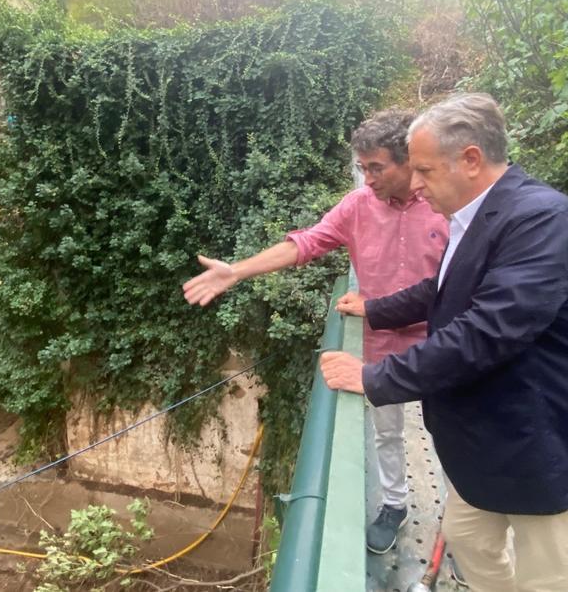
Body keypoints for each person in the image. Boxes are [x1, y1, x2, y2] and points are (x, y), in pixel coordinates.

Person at [321, 93, 568, 591]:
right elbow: (443, 289)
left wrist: (374, 376)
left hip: (547, 441)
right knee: (467, 539)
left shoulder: (539, 218)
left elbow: (488, 330)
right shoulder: (479, 214)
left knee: (547, 578)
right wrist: (377, 309)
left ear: (471, 159)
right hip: (493, 439)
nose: (416, 185)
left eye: (425, 170)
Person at [182, 109, 449, 554]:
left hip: (442, 342)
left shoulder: (445, 204)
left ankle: (455, 527)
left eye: (377, 168)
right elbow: (305, 242)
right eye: (362, 168)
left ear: (408, 161)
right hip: (381, 339)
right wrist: (237, 272)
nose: (367, 180)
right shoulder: (359, 206)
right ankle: (395, 505)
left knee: (449, 431)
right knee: (386, 430)